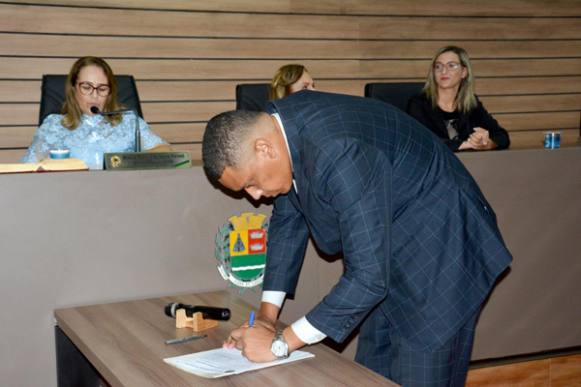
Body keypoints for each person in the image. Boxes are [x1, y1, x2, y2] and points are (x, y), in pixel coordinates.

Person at [202, 90, 512, 386]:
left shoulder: (338, 150)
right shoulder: (279, 129)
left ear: (263, 148)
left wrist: (281, 344)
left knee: (419, 374)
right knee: (370, 374)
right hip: (391, 247)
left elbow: (368, 279)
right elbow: (288, 218)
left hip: (442, 251)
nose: (254, 196)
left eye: (251, 183)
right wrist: (267, 319)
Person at [22, 56, 169, 169]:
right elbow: (28, 168)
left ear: (110, 92)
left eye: (102, 89)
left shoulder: (129, 121)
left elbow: (166, 151)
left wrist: (129, 161)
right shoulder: (54, 125)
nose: (95, 95)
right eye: (86, 87)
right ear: (73, 89)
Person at [407, 46, 510, 152]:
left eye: (451, 65)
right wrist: (467, 144)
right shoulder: (419, 104)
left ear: (464, 72)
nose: (443, 71)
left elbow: (502, 136)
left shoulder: (471, 103)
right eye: (438, 66)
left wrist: (487, 143)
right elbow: (422, 141)